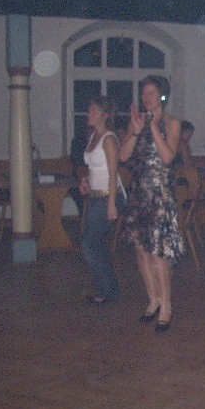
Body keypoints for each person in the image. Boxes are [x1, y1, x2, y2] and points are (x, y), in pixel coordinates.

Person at [119, 75, 184, 332]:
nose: (147, 98)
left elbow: (168, 157)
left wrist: (155, 127)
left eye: (152, 93)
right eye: (144, 93)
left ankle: (166, 305)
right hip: (139, 193)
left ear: (162, 96)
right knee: (141, 251)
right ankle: (153, 299)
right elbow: (123, 155)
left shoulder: (172, 123)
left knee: (158, 253)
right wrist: (136, 130)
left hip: (160, 194)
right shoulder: (136, 121)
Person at [79, 96, 125, 305]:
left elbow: (113, 173)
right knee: (93, 244)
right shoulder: (93, 137)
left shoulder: (109, 139)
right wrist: (85, 181)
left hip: (109, 196)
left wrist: (111, 203)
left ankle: (107, 291)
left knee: (89, 244)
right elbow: (94, 168)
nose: (89, 114)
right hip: (96, 196)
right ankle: (108, 290)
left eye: (94, 111)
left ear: (105, 116)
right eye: (89, 110)